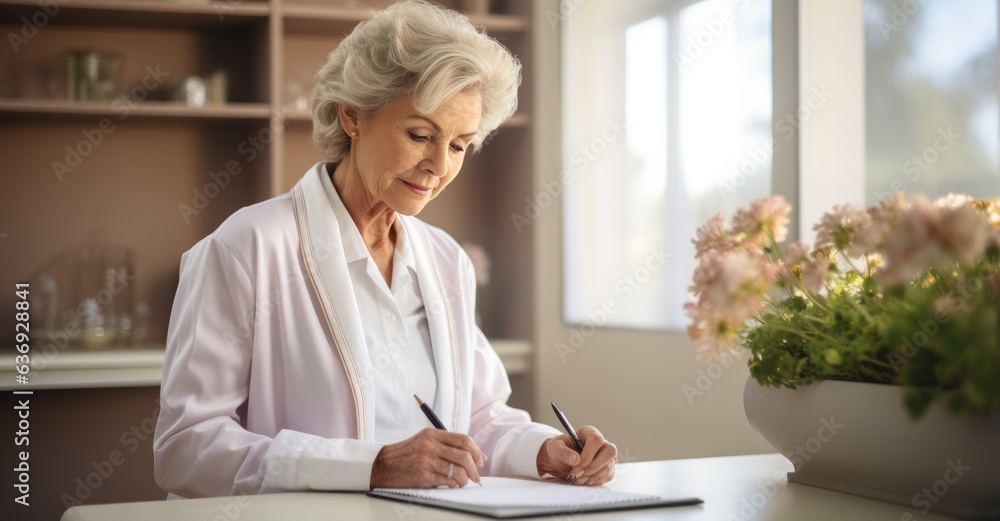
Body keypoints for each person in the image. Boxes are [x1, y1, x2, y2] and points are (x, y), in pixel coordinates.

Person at [152, 0, 617, 498]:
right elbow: (186, 447)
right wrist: (371, 465)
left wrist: (548, 451)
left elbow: (479, 419)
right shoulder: (247, 247)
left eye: (459, 145)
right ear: (352, 115)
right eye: (420, 135)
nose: (439, 165)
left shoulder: (445, 261)